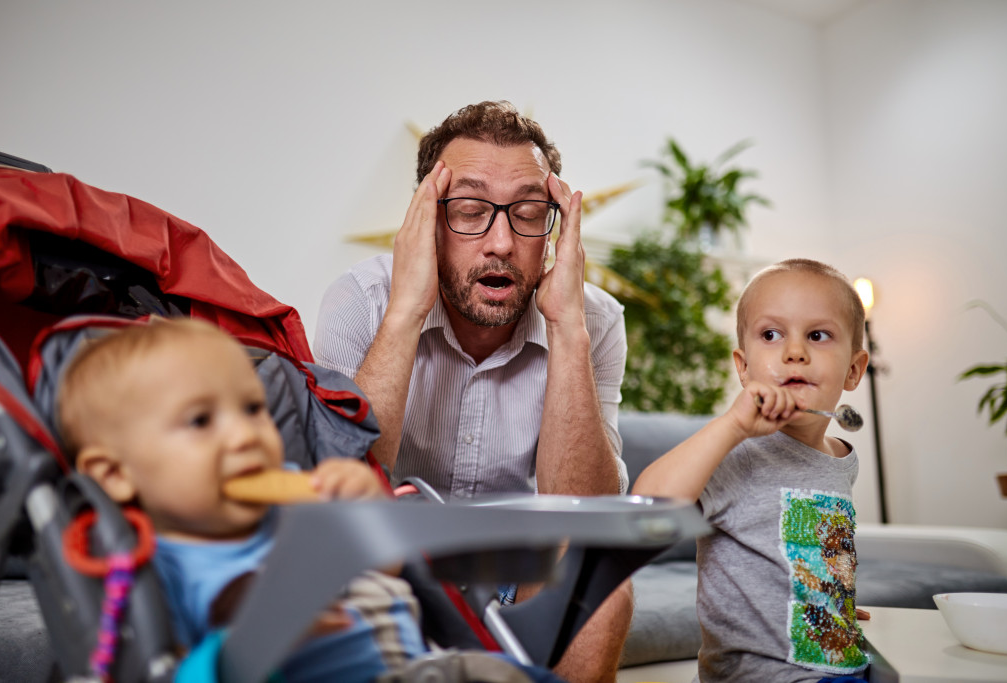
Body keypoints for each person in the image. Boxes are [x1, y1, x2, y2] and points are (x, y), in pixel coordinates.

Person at [313, 101, 632, 682]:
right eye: (468, 211)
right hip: (393, 569)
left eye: (529, 213)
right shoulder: (362, 299)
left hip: (519, 571)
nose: (502, 243)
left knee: (598, 572)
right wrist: (407, 310)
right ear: (426, 222)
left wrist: (566, 329)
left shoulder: (594, 321)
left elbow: (588, 514)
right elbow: (341, 486)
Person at [56, 318, 560, 683]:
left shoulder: (299, 498)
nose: (244, 436)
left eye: (252, 408)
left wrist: (367, 518)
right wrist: (262, 623)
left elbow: (384, 576)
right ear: (115, 474)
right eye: (200, 421)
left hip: (414, 666)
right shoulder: (152, 564)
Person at [633, 258, 872, 683]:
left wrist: (834, 607)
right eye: (771, 334)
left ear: (853, 369)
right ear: (743, 367)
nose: (794, 351)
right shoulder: (738, 451)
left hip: (835, 669)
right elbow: (645, 506)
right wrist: (731, 427)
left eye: (817, 335)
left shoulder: (841, 458)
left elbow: (806, 555)